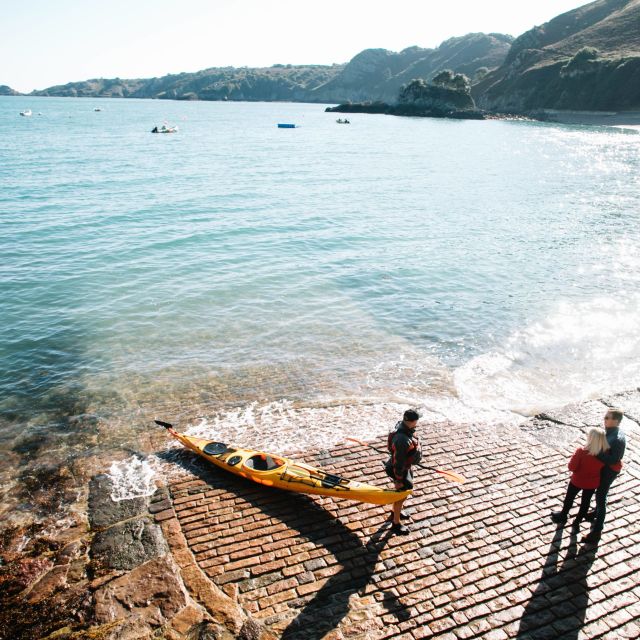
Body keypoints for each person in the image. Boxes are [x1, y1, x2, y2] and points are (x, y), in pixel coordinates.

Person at [551, 427, 609, 529]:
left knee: (569, 498)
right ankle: (577, 521)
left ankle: (563, 515)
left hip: (577, 481)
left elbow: (571, 467)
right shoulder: (605, 454)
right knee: (585, 502)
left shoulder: (581, 451)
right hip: (592, 483)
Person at [582, 408, 626, 544]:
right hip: (605, 468)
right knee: (600, 495)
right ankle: (595, 513)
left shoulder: (617, 439)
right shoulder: (611, 432)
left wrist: (595, 452)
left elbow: (613, 459)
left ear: (616, 421)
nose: (604, 419)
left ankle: (597, 532)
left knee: (601, 497)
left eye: (608, 418)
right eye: (605, 417)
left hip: (609, 471)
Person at [385, 409, 422, 535]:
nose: (417, 422)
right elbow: (398, 462)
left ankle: (396, 511)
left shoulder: (403, 427)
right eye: (416, 420)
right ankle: (396, 523)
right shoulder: (402, 440)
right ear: (411, 422)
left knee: (401, 494)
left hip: (402, 467)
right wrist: (399, 479)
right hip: (399, 469)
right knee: (401, 494)